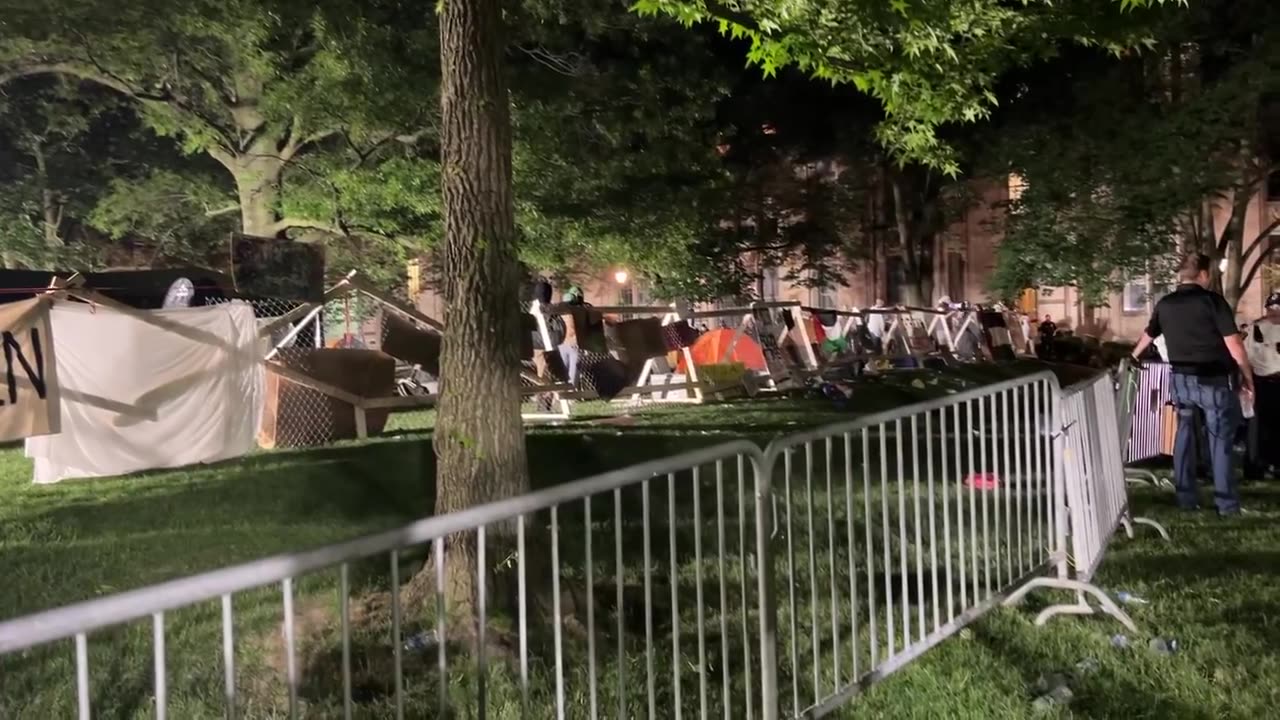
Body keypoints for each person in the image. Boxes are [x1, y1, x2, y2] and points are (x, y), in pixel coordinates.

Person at [1129, 253, 1254, 515]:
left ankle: (1186, 498)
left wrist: (1132, 356)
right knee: (1219, 438)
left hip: (1181, 380)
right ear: (1204, 274)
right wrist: (1247, 375)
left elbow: (1148, 336)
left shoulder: (1166, 304)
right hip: (1213, 379)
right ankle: (1226, 504)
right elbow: (1234, 344)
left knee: (1184, 436)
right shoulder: (1212, 302)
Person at [1244, 292, 1280, 477]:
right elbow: (1245, 357)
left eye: (1278, 308)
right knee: (1259, 428)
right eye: (1271, 308)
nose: (1274, 312)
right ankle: (1257, 467)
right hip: (1262, 382)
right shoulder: (1255, 329)